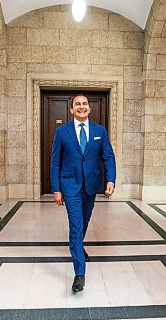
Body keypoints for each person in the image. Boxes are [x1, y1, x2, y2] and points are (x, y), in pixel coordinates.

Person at [51, 94, 116, 293]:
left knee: (84, 221)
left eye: (84, 104)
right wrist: (56, 188)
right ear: (71, 110)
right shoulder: (62, 132)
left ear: (89, 108)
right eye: (77, 104)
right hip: (70, 185)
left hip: (92, 185)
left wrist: (111, 179)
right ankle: (80, 273)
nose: (81, 107)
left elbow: (108, 156)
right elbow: (55, 161)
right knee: (76, 224)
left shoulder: (100, 131)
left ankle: (78, 245)